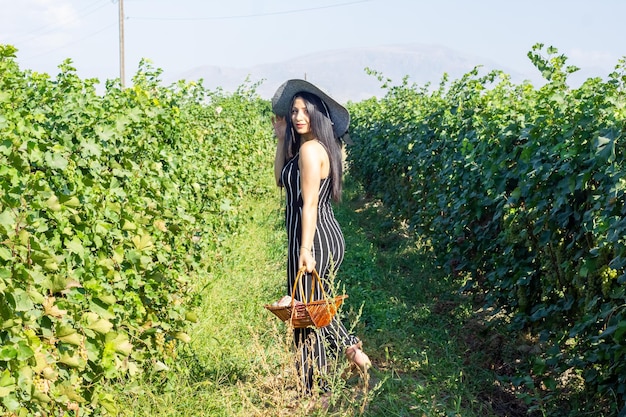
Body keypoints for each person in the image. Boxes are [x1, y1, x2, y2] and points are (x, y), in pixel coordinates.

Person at [271, 79, 371, 395]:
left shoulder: (312, 151)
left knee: (310, 312)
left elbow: (310, 202)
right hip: (311, 238)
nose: (299, 116)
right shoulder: (307, 149)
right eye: (294, 111)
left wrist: (304, 248)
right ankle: (315, 384)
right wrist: (279, 139)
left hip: (313, 240)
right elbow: (279, 180)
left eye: (305, 111)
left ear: (317, 114)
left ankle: (346, 356)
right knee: (308, 311)